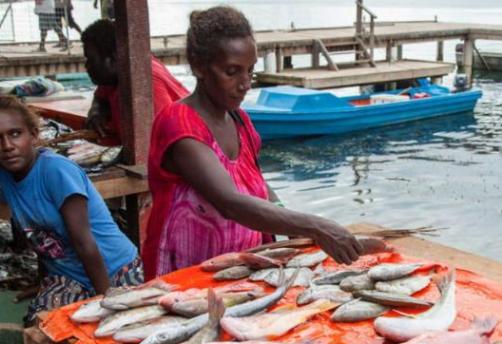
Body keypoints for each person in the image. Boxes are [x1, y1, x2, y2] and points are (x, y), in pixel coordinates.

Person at [143, 6, 362, 280]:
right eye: (231, 72)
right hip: (185, 277)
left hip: (243, 271)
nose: (245, 83)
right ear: (199, 66)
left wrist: (287, 217)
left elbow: (253, 183)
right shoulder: (179, 124)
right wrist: (316, 226)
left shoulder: (240, 121)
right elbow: (230, 202)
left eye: (250, 70)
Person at [0, 95, 143, 324]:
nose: (7, 146)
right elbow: (39, 235)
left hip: (113, 270)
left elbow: (83, 243)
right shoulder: (5, 176)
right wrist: (43, 283)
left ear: (34, 136)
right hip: (67, 276)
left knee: (115, 331)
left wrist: (104, 301)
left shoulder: (56, 171)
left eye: (15, 134)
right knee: (41, 327)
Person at [81, 19, 189, 144]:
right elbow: (100, 98)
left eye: (91, 60)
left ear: (113, 58)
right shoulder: (113, 77)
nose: (87, 66)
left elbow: (166, 140)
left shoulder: (145, 83)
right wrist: (96, 111)